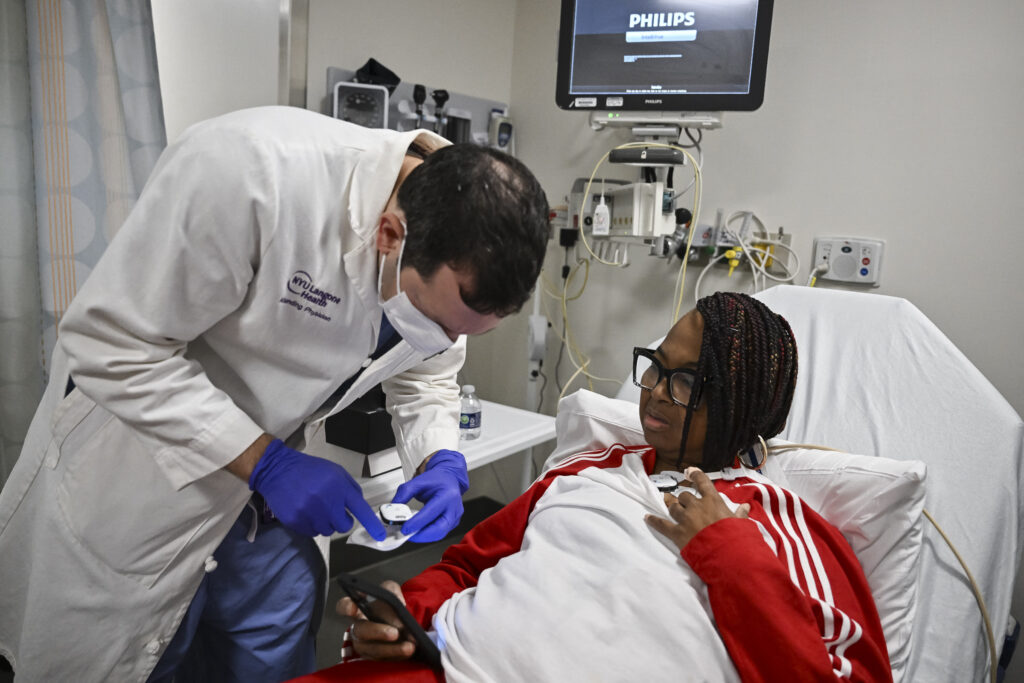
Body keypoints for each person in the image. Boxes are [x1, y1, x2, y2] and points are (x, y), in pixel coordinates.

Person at [0, 106, 550, 682]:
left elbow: (427, 370)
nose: (448, 342)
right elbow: (109, 343)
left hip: (259, 519)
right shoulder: (253, 173)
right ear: (390, 233)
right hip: (144, 485)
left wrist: (440, 457)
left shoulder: (460, 252)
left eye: (466, 331)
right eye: (441, 322)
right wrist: (266, 461)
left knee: (278, 649)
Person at [333, 292, 893, 682]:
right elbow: (463, 570)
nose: (652, 392)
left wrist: (727, 551)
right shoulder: (586, 471)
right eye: (655, 366)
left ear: (743, 407)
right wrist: (407, 612)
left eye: (685, 382)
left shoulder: (778, 526)